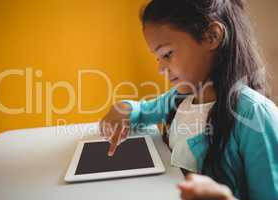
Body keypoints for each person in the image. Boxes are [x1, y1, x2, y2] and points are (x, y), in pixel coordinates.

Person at [99, 0, 278, 199]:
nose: (160, 68)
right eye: (157, 58)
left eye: (167, 54)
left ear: (212, 37)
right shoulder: (180, 98)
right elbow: (142, 111)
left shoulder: (255, 114)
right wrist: (123, 108)